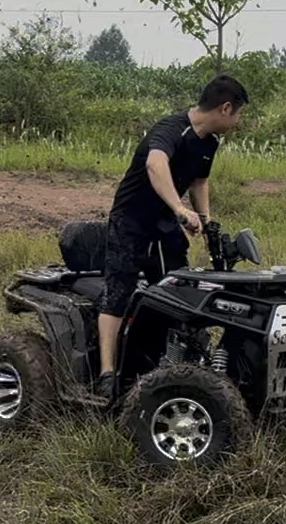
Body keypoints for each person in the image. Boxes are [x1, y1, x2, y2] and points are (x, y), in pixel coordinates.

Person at [95, 74, 250, 399]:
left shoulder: (209, 143)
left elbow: (199, 182)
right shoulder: (171, 129)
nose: (238, 122)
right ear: (225, 108)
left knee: (177, 291)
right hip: (131, 221)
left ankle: (168, 364)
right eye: (238, 114)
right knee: (118, 291)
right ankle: (107, 374)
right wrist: (179, 209)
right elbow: (155, 164)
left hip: (166, 227)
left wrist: (205, 223)